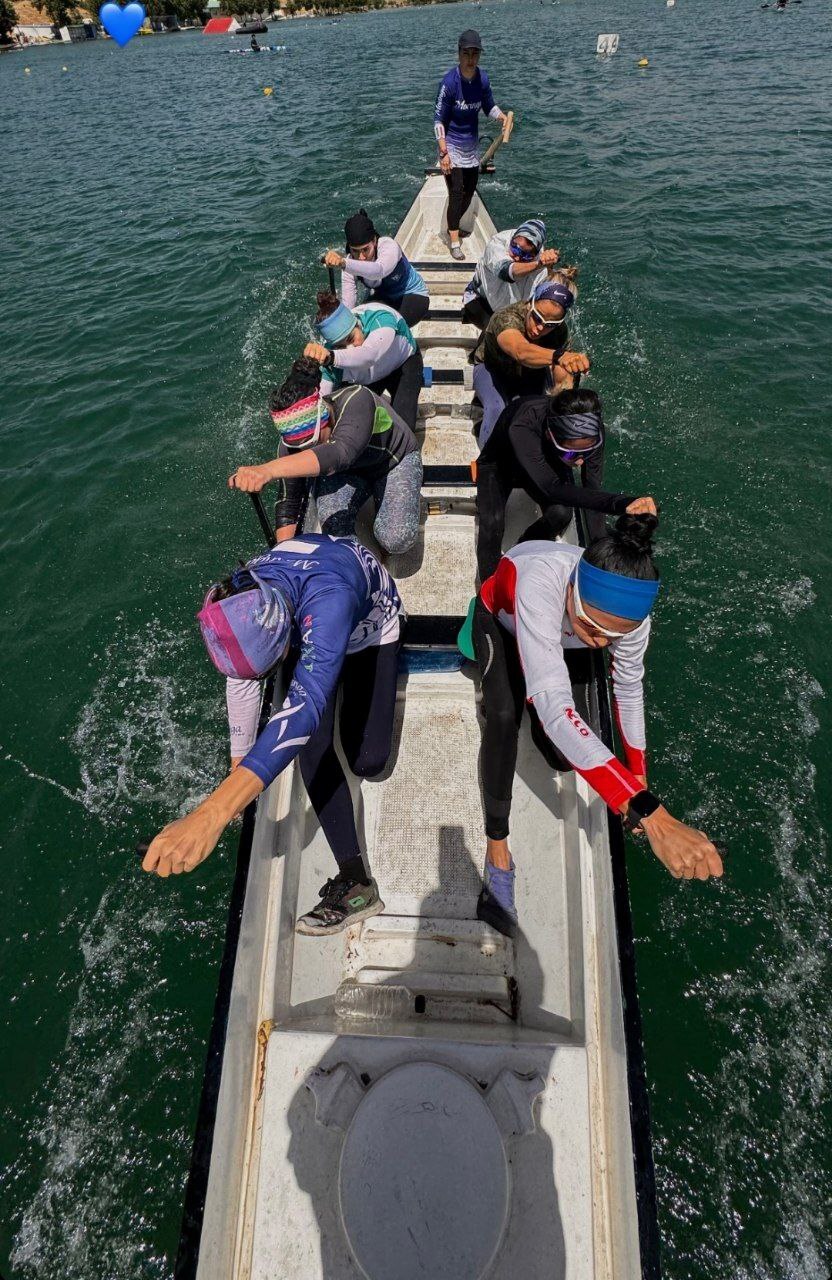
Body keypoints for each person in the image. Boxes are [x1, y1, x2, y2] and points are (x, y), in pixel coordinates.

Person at [472, 515, 724, 938]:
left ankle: (556, 658)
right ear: (572, 588)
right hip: (505, 621)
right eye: (593, 627)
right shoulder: (540, 582)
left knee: (564, 757)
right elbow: (555, 709)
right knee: (502, 718)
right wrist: (652, 815)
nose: (603, 642)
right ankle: (497, 851)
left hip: (564, 637)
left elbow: (628, 688)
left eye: (613, 636)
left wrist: (637, 778)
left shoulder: (628, 620)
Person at [141, 534, 404, 936]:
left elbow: (304, 712)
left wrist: (212, 814)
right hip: (307, 613)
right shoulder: (240, 598)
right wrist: (237, 776)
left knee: (368, 761)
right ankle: (356, 881)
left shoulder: (329, 599)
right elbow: (242, 679)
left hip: (366, 629)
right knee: (311, 747)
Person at [228, 356, 422, 555]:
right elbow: (289, 502)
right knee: (333, 529)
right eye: (298, 448)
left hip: (393, 462)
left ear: (324, 416)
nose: (305, 450)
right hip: (348, 474)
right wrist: (283, 555)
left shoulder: (357, 399)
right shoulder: (290, 445)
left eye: (311, 444)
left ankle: (387, 501)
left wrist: (267, 470)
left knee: (397, 540)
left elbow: (341, 453)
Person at [476, 387, 657, 580]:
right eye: (571, 454)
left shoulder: (592, 430)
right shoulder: (523, 425)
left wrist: (602, 558)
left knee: (561, 514)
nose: (580, 462)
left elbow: (592, 490)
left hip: (549, 463)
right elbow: (552, 488)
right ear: (549, 435)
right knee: (492, 522)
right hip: (500, 466)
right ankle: (487, 589)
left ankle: (521, 549)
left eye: (587, 453)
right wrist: (621, 503)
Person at [472, 275, 589, 447]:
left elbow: (561, 374)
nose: (540, 328)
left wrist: (565, 389)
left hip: (530, 375)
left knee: (536, 414)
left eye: (550, 324)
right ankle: (486, 459)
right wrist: (559, 356)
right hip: (491, 370)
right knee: (497, 409)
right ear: (531, 303)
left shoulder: (560, 332)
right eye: (537, 317)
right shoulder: (506, 318)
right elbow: (521, 351)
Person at [434, 29, 508, 260]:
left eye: (475, 53)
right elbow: (438, 120)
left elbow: (489, 106)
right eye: (466, 53)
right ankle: (454, 239)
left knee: (470, 189)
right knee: (456, 192)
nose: (470, 58)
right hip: (451, 147)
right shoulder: (449, 83)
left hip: (471, 148)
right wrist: (443, 153)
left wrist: (501, 117)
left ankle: (452, 224)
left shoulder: (482, 79)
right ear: (459, 54)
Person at [304, 290, 424, 431]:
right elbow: (322, 403)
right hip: (370, 378)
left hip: (404, 364)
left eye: (351, 339)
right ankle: (384, 403)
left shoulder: (381, 318)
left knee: (404, 428)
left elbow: (369, 356)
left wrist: (332, 357)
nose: (350, 348)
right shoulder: (329, 358)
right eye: (341, 347)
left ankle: (399, 406)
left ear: (357, 324)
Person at [324, 208, 430, 328]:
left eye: (365, 249)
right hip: (384, 298)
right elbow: (349, 306)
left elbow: (379, 271)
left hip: (413, 295)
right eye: (355, 251)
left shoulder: (388, 246)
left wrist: (343, 263)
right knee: (362, 326)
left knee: (391, 328)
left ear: (374, 241)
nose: (361, 257)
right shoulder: (349, 264)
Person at [461, 218, 561, 331]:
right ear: (513, 239)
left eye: (526, 255)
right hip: (480, 300)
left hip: (511, 309)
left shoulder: (539, 257)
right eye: (516, 249)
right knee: (498, 331)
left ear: (535, 254)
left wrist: (549, 266)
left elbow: (543, 287)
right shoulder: (497, 244)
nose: (517, 257)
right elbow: (506, 272)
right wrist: (539, 264)